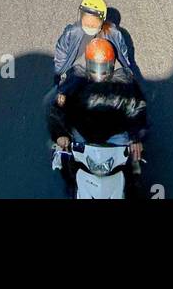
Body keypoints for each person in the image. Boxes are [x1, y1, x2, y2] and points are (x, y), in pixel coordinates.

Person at [47, 38, 148, 193]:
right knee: (64, 158)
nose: (99, 73)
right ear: (88, 65)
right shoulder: (74, 81)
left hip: (115, 137)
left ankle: (133, 186)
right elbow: (57, 109)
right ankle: (71, 183)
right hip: (83, 136)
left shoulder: (125, 84)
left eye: (104, 68)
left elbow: (137, 110)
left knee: (135, 164)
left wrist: (136, 138)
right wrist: (60, 134)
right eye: (94, 68)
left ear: (112, 65)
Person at [53, 0, 141, 86]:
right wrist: (59, 78)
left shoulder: (114, 34)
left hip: (105, 72)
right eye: (86, 20)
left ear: (102, 19)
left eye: (94, 22)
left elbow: (123, 57)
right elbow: (61, 55)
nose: (89, 24)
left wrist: (129, 76)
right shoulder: (71, 33)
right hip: (78, 74)